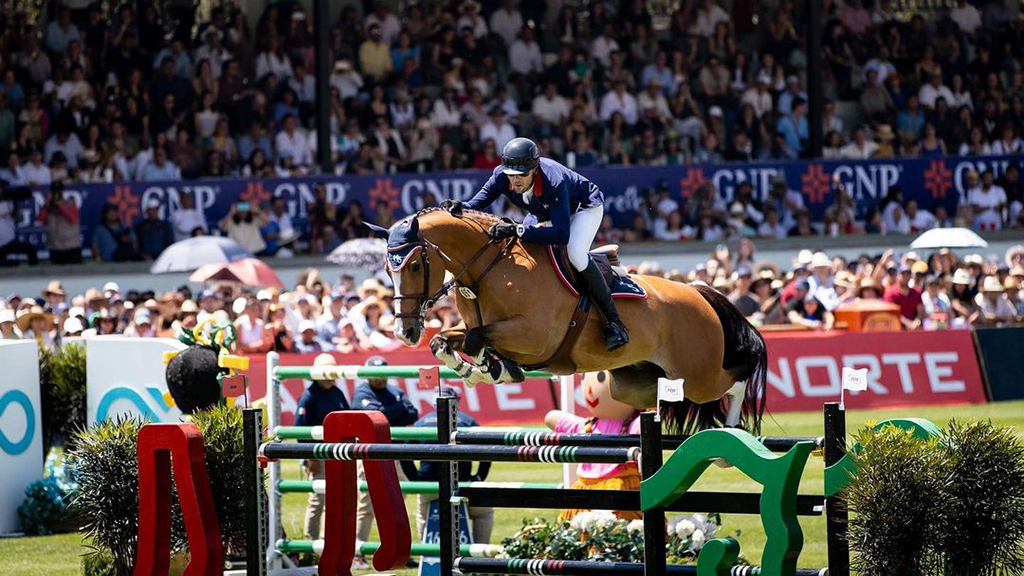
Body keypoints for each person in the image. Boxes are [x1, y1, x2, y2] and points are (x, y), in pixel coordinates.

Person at [455, 137, 629, 351]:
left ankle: (614, 323)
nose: (515, 180)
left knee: (574, 252)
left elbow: (561, 234)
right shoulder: (501, 176)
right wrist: (456, 207)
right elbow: (474, 206)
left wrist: (517, 229)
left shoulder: (553, 181)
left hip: (583, 209)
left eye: (522, 175)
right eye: (511, 174)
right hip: (546, 213)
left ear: (534, 169)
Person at [351, 356, 418, 561]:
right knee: (366, 503)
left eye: (382, 375)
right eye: (375, 375)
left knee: (399, 500)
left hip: (394, 453)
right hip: (368, 453)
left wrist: (387, 413)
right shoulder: (362, 392)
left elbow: (413, 413)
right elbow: (374, 417)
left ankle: (397, 551)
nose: (379, 379)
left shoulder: (394, 391)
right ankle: (357, 553)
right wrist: (396, 410)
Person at [409, 386, 494, 543]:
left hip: (430, 486)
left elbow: (403, 454)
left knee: (423, 515)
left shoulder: (420, 423)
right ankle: (479, 554)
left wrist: (415, 479)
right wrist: (479, 476)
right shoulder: (468, 422)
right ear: (457, 400)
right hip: (462, 484)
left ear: (434, 402)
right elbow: (487, 450)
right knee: (483, 513)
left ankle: (426, 553)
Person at [294, 353, 350, 541]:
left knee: (336, 500)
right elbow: (301, 430)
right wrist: (309, 458)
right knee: (318, 500)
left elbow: (349, 417)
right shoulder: (308, 397)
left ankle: (330, 540)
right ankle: (312, 542)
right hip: (319, 455)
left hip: (339, 453)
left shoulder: (337, 393)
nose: (332, 377)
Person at [884, 265, 925, 329]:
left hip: (914, 329)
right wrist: (908, 323)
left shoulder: (916, 292)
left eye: (908, 275)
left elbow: (920, 311)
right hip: (896, 329)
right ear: (897, 276)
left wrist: (917, 321)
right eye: (903, 274)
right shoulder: (890, 293)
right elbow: (892, 313)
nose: (905, 277)